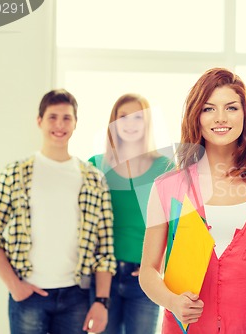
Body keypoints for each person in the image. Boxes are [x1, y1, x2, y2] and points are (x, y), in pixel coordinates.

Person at [139, 68, 246, 333]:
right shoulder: (167, 187)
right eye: (208, 108)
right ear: (196, 116)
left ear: (245, 115)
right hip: (187, 328)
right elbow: (148, 270)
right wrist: (171, 301)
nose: (220, 118)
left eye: (231, 108)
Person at [0, 89, 116, 334]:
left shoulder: (94, 179)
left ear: (75, 123)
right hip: (29, 295)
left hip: (76, 296)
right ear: (39, 121)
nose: (59, 125)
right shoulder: (16, 173)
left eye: (66, 118)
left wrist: (101, 302)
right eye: (52, 117)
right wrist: (14, 285)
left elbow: (104, 248)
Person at [88, 93, 173, 333]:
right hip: (104, 276)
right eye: (123, 117)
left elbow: (177, 223)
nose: (130, 124)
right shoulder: (95, 166)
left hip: (144, 277)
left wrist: (163, 263)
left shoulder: (165, 167)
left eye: (138, 117)